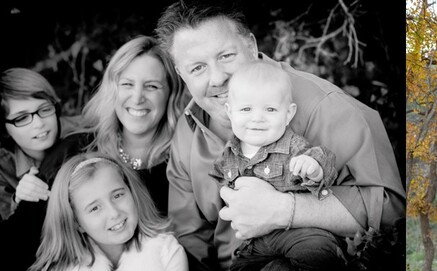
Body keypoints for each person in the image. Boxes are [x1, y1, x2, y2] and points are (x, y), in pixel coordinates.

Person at [154, 1, 405, 269]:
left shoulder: (326, 108)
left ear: (251, 46)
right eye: (197, 68)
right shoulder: (189, 127)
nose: (217, 78)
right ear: (181, 73)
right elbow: (189, 238)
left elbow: (392, 212)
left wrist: (285, 209)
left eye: (226, 56)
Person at [210, 62, 343, 270]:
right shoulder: (228, 154)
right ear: (230, 112)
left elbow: (323, 157)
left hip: (299, 232)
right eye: (246, 109)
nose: (257, 118)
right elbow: (221, 184)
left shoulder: (293, 146)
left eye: (270, 109)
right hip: (256, 240)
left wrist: (314, 168)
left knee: (317, 252)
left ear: (288, 114)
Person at [59, 36, 186, 216]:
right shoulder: (75, 150)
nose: (137, 98)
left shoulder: (186, 161)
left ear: (171, 94)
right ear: (112, 90)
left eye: (151, 86)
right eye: (127, 84)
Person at [29, 152, 187, 270]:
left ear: (132, 192)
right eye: (95, 208)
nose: (114, 213)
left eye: (117, 195)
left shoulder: (166, 251)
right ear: (76, 223)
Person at [0, 68, 75, 269]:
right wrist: (18, 199)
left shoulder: (85, 132)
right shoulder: (3, 168)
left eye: (44, 109)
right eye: (22, 118)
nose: (39, 123)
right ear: (5, 129)